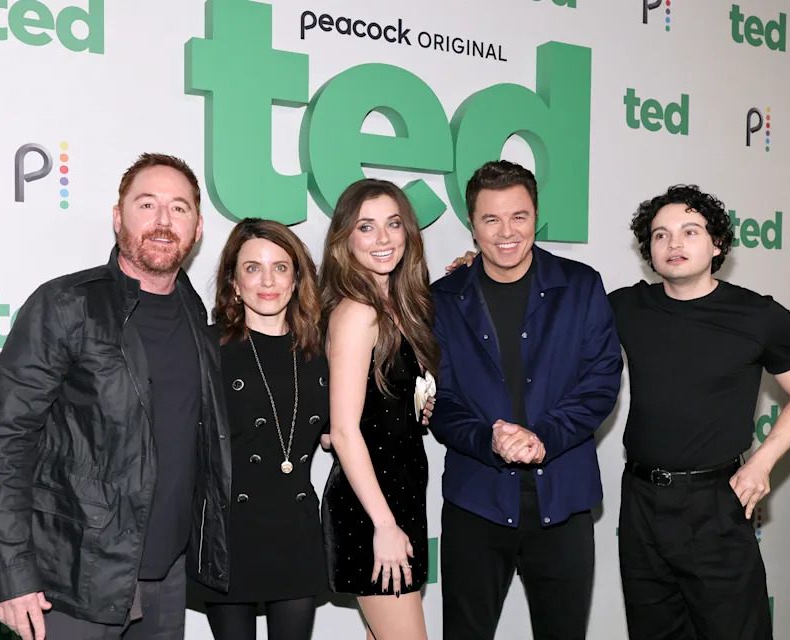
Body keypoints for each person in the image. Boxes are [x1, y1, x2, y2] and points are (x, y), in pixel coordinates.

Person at [0, 153, 231, 640]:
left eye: (179, 209)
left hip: (166, 577)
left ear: (197, 230)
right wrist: (11, 575)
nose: (162, 221)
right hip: (73, 579)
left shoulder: (196, 314)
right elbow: (7, 442)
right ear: (118, 218)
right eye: (147, 204)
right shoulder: (66, 305)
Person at [608, 184, 790, 640]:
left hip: (716, 504)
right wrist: (480, 266)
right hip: (641, 504)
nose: (674, 244)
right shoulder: (626, 306)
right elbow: (552, 304)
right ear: (648, 247)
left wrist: (763, 462)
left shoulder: (758, 316)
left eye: (690, 231)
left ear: (717, 243)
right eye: (661, 235)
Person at [430, 160, 623, 640]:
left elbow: (601, 382)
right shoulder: (441, 298)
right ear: (471, 225)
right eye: (490, 219)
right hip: (476, 503)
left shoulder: (581, 286)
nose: (506, 232)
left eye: (518, 216)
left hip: (564, 501)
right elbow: (441, 401)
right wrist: (488, 437)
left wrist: (543, 437)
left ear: (536, 216)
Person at [188, 218, 328, 640]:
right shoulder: (207, 349)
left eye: (280, 267)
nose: (267, 280)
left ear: (297, 278)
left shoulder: (321, 353)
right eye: (252, 268)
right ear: (234, 281)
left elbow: (348, 425)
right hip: (230, 535)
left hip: (296, 530)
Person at [319, 178, 439, 640]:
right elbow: (346, 432)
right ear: (345, 240)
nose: (383, 238)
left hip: (400, 494)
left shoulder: (399, 305)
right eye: (366, 227)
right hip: (373, 508)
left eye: (393, 224)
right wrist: (384, 526)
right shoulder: (358, 312)